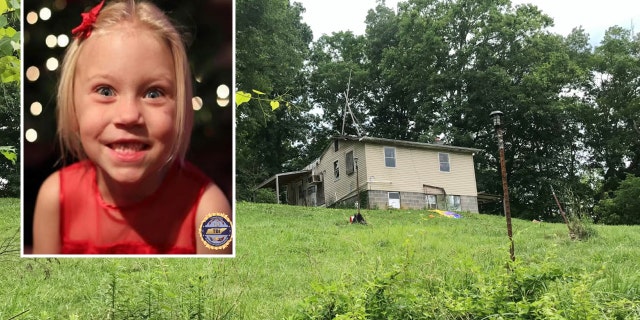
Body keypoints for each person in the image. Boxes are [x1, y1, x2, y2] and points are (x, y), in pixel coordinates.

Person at [32, 0, 232, 254]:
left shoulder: (208, 211)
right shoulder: (55, 200)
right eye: (105, 91)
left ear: (181, 106)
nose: (128, 116)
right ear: (73, 106)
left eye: (153, 93)